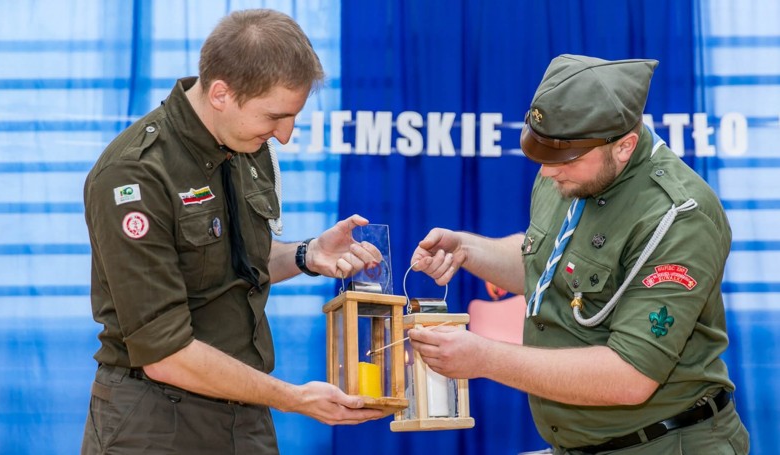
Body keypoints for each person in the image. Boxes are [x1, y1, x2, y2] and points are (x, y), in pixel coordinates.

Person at [408, 54, 749, 454]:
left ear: (624, 147)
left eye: (564, 160)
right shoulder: (567, 170)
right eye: (542, 156)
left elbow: (630, 376)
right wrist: (467, 249)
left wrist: (484, 358)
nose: (548, 172)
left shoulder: (677, 217)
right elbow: (548, 267)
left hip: (662, 442)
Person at [80, 9, 384, 454]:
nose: (284, 135)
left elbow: (235, 262)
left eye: (293, 117)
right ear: (221, 93)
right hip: (155, 421)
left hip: (247, 412)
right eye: (275, 117)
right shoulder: (136, 174)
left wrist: (307, 254)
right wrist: (295, 399)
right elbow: (165, 353)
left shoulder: (243, 143)